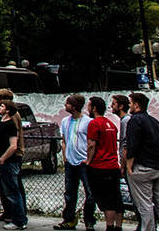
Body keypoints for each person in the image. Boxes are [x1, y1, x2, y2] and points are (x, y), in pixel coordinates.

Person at [125, 92, 159, 231]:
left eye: (130, 103)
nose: (129, 105)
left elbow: (132, 144)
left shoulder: (134, 120)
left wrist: (129, 165)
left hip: (143, 167)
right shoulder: (154, 121)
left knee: (145, 205)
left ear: (136, 105)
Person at [55, 93, 95, 231]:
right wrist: (65, 157)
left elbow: (91, 142)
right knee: (70, 192)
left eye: (68, 103)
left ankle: (89, 219)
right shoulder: (66, 121)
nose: (65, 106)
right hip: (70, 162)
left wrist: (88, 159)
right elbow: (64, 140)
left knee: (90, 192)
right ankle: (69, 219)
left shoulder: (88, 122)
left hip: (83, 162)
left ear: (74, 106)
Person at [82, 97, 122, 231]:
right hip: (113, 165)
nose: (87, 109)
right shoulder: (110, 124)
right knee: (116, 197)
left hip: (100, 166)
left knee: (106, 199)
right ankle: (118, 226)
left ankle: (109, 226)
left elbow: (91, 145)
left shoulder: (94, 124)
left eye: (89, 106)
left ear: (94, 108)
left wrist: (88, 161)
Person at [0, 96, 27, 231]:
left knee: (13, 191)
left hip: (9, 162)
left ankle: (19, 220)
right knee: (10, 191)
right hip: (4, 162)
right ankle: (18, 218)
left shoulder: (11, 124)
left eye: (1, 106)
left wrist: (3, 158)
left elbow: (13, 145)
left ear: (7, 110)